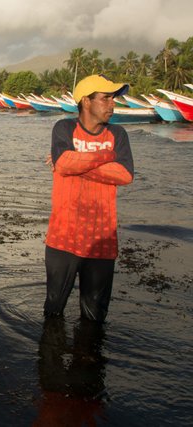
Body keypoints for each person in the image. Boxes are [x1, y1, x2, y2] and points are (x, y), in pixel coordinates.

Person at [44, 74, 134, 322]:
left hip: (101, 239)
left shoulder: (118, 134)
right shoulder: (64, 128)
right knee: (53, 311)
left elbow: (125, 175)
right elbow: (63, 163)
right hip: (63, 237)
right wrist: (107, 157)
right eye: (106, 98)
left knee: (94, 318)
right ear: (86, 101)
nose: (112, 104)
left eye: (113, 98)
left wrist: (77, 162)